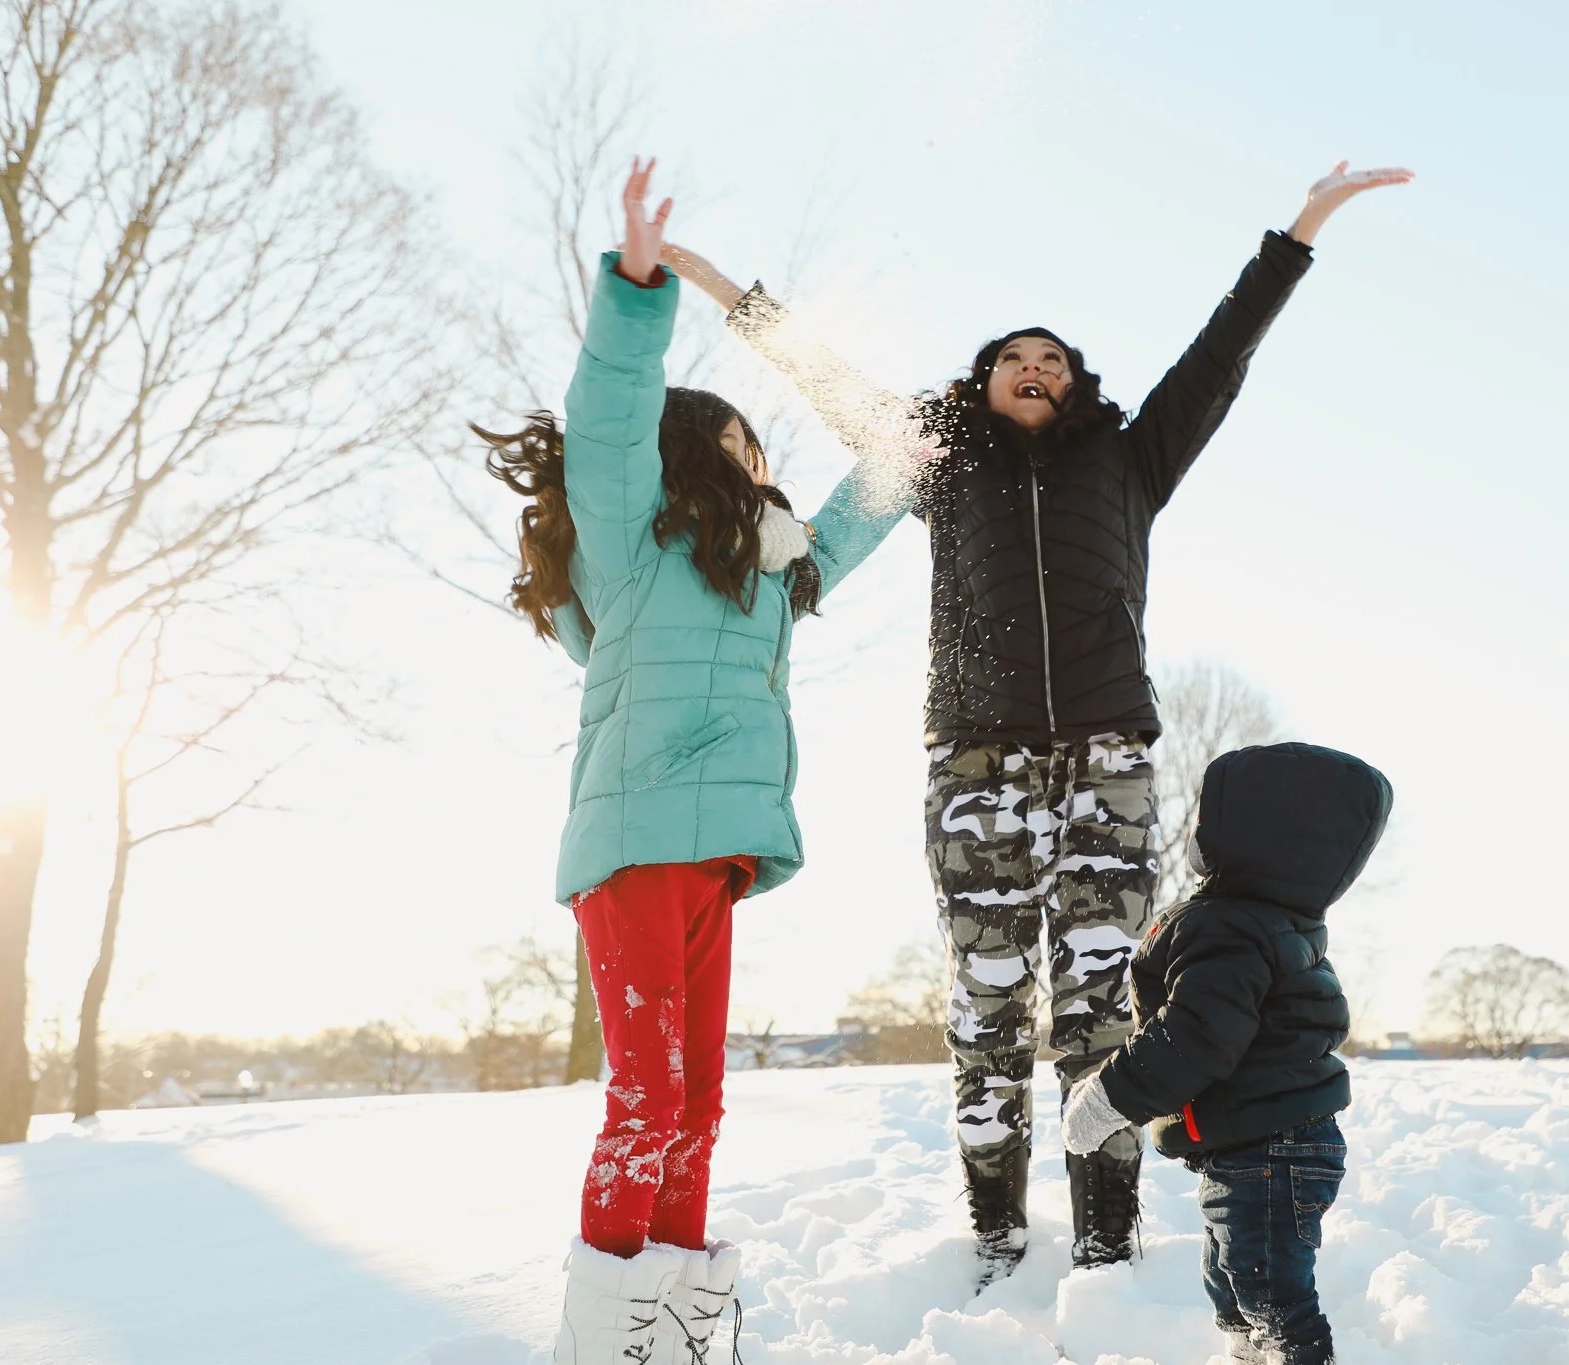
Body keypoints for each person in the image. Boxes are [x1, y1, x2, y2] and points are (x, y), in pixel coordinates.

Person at [661, 156, 1412, 1281]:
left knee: (1101, 998)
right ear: (981, 383)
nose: (1031, 366)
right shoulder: (941, 455)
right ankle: (997, 1233)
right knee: (988, 1000)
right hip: (975, 754)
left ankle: (1107, 1239)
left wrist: (1299, 228)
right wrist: (723, 289)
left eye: (1051, 359)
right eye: (1011, 356)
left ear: (1074, 387)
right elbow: (827, 377)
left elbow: (1220, 356)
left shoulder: (1129, 460)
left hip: (1108, 755)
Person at [481, 158, 902, 1364]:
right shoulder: (629, 547)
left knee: (699, 1109)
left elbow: (893, 456)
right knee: (647, 1100)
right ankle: (603, 1337)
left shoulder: (779, 573)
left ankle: (667, 1333)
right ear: (693, 459)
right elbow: (609, 409)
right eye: (739, 438)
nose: (760, 456)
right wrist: (640, 284)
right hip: (634, 840)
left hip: (715, 855)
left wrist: (748, 306)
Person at [1062, 742, 1392, 1365]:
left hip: (1268, 1150)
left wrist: (1109, 1097)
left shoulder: (1228, 926)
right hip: (1265, 1145)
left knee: (1268, 1295)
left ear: (1249, 835)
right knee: (1233, 1285)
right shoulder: (1271, 923)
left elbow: (1197, 1037)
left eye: (1205, 820)